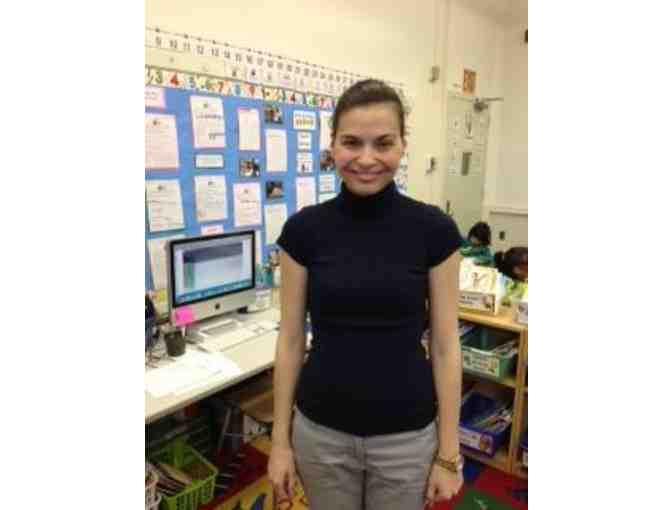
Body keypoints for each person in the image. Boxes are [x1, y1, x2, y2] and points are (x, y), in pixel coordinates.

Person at [268, 79, 464, 510]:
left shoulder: (434, 231)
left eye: (383, 143)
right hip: (320, 435)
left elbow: (447, 346)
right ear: (333, 145)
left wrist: (449, 455)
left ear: (403, 145)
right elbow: (290, 340)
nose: (367, 158)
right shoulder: (303, 231)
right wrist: (279, 442)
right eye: (352, 142)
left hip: (406, 439)